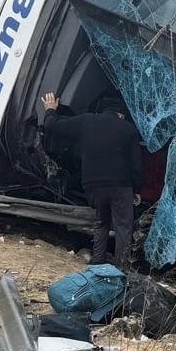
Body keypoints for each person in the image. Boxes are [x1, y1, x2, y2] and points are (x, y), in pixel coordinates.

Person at [41, 92, 143, 267]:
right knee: (123, 227)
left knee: (101, 222)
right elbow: (136, 165)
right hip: (120, 185)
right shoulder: (128, 129)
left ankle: (97, 263)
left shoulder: (86, 121)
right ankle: (120, 268)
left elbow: (53, 126)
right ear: (121, 114)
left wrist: (50, 110)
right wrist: (137, 189)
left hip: (93, 185)